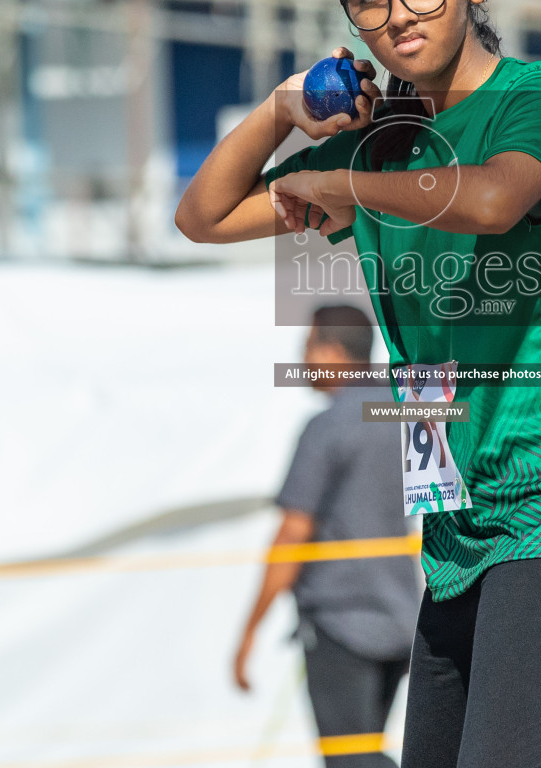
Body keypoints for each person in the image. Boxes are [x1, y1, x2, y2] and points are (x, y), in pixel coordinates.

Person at [178, 0, 541, 768]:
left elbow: (489, 199)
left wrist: (337, 186)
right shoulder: (379, 149)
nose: (398, 11)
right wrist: (284, 112)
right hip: (458, 525)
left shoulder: (538, 95)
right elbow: (203, 217)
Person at [232, 305, 421, 768]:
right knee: (365, 752)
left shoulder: (328, 427)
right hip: (404, 619)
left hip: (341, 623)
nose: (302, 357)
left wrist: (249, 632)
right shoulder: (409, 413)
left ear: (332, 352)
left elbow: (292, 534)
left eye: (308, 345)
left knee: (350, 762)